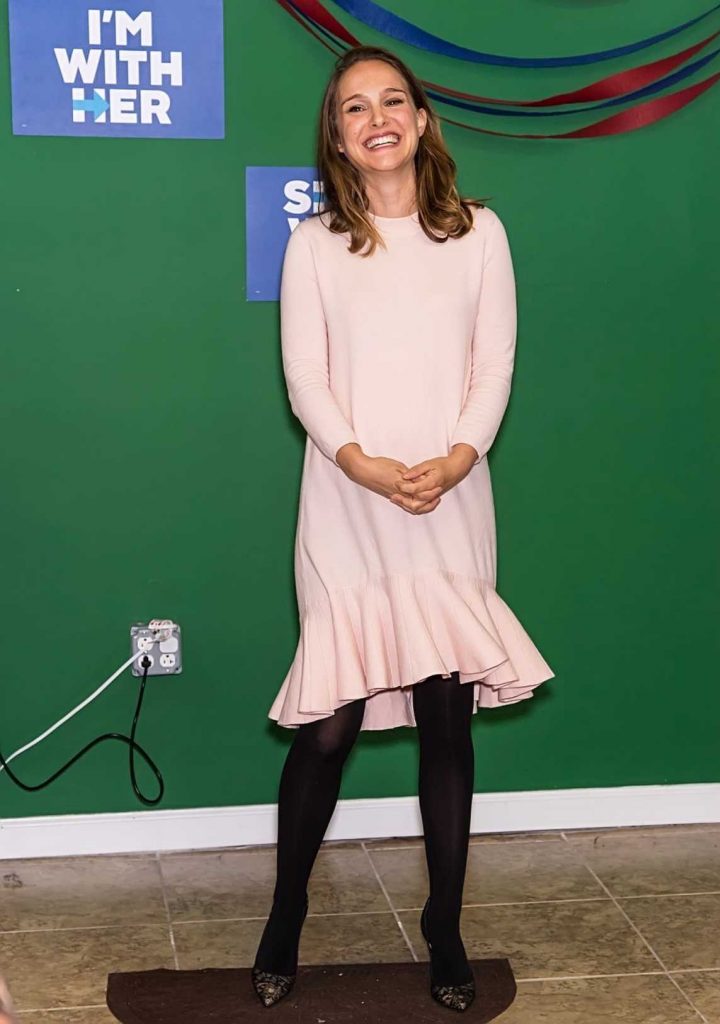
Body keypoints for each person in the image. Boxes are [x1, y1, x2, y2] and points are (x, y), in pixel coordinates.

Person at [252, 44, 555, 1012]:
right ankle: (285, 911)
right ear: (335, 138)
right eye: (353, 107)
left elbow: (493, 366)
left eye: (392, 100)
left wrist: (460, 456)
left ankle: (447, 925)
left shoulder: (481, 234)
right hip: (348, 502)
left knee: (444, 716)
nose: (375, 116)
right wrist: (363, 463)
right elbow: (307, 379)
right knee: (330, 725)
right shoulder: (314, 245)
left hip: (450, 494)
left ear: (423, 120)